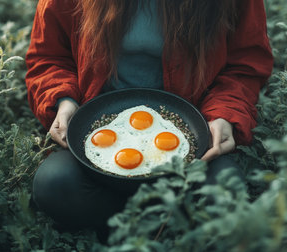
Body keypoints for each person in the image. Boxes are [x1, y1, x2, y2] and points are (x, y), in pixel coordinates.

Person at [25, 0, 273, 235]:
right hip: (97, 120)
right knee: (54, 185)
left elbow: (245, 64)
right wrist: (65, 101)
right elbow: (49, 57)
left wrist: (223, 115)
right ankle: (166, 220)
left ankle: (127, 220)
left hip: (195, 124)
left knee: (225, 190)